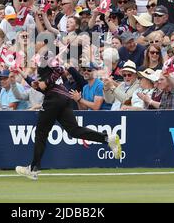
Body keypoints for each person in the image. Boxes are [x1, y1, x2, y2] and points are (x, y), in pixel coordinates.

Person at [15, 52, 122, 180]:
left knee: (41, 133)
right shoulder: (43, 72)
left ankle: (33, 169)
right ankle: (107, 139)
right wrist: (21, 73)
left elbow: (59, 70)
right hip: (63, 98)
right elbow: (39, 86)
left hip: (54, 100)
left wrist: (47, 81)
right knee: (74, 130)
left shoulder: (45, 67)